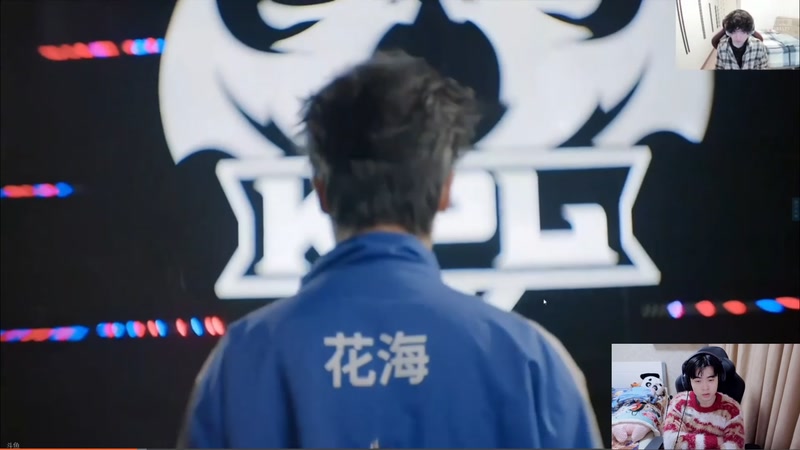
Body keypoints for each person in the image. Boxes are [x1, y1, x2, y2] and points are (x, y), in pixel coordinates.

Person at [176, 50, 601, 448]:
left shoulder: (240, 362)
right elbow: (638, 428)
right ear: (445, 192)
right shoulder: (532, 362)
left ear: (321, 192)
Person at [661, 352, 745, 449]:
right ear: (688, 382)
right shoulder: (678, 403)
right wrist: (717, 441)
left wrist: (686, 440)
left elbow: (735, 447)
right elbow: (670, 443)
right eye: (698, 381)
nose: (705, 388)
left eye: (710, 380)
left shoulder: (732, 409)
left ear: (719, 379)